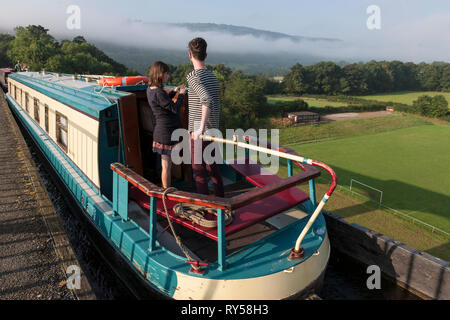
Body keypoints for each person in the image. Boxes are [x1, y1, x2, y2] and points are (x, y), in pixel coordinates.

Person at [186, 37, 224, 197]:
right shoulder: (213, 77)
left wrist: (199, 129)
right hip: (213, 130)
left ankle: (204, 209)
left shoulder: (193, 77)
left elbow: (206, 99)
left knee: (198, 172)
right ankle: (221, 200)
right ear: (205, 54)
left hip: (199, 132)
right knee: (212, 167)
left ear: (190, 55)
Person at [146, 61, 186, 189]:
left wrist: (173, 92)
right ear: (160, 74)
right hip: (167, 132)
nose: (168, 76)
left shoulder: (150, 90)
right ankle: (166, 192)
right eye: (166, 73)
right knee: (167, 167)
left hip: (161, 131)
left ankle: (166, 190)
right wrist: (181, 95)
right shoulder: (158, 92)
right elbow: (173, 108)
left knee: (165, 165)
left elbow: (164, 102)